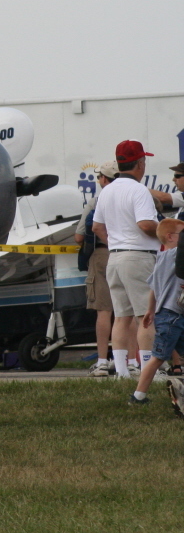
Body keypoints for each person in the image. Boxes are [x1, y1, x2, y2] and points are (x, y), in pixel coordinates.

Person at [93, 140, 160, 379]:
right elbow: (145, 224)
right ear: (140, 163)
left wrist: (116, 242)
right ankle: (147, 371)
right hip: (138, 257)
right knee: (146, 317)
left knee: (121, 317)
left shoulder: (107, 190)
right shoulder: (139, 190)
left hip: (115, 257)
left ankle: (122, 371)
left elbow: (97, 227)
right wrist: (166, 231)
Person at [128, 218, 184, 406]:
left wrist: (150, 310)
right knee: (158, 357)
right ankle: (138, 397)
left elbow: (153, 288)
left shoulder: (161, 258)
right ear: (170, 237)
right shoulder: (175, 255)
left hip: (169, 313)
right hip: (171, 315)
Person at [76, 161, 117, 377]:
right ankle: (128, 361)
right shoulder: (134, 196)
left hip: (101, 255)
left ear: (103, 179)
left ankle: (102, 361)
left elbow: (79, 236)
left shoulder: (96, 202)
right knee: (127, 313)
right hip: (127, 253)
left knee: (104, 311)